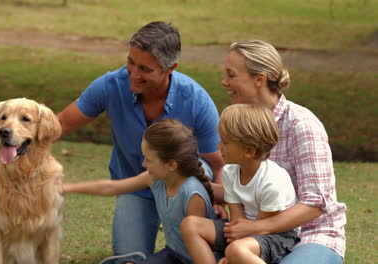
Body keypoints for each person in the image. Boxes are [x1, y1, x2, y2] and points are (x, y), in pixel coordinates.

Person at [56, 21, 224, 258]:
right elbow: (62, 124)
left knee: (191, 249)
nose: (133, 75)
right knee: (130, 258)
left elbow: (218, 164)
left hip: (183, 182)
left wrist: (217, 202)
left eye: (145, 69)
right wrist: (22, 143)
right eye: (130, 63)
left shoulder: (196, 99)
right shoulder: (111, 85)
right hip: (137, 184)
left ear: (170, 68)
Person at [192, 39, 346, 263]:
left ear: (259, 79)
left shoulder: (301, 124)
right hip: (252, 236)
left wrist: (256, 228)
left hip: (310, 236)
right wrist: (189, 179)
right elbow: (239, 189)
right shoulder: (238, 123)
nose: (224, 82)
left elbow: (316, 204)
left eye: (232, 75)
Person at [61, 118, 218, 264]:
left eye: (148, 160)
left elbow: (199, 247)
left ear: (171, 165)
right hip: (173, 253)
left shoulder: (192, 194)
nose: (143, 164)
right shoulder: (155, 179)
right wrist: (68, 188)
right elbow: (111, 187)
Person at [181, 104, 299, 264]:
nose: (218, 146)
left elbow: (262, 228)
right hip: (242, 229)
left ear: (249, 151)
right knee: (190, 225)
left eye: (225, 142)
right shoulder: (230, 172)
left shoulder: (272, 182)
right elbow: (236, 219)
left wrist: (231, 255)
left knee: (236, 250)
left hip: (275, 235)